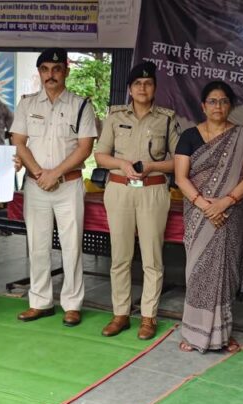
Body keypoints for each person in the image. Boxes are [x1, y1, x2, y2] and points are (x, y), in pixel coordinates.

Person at [10, 48, 97, 327]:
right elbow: (18, 141)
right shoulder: (26, 104)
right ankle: (40, 302)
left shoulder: (81, 105)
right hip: (36, 185)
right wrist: (39, 173)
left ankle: (72, 304)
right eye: (45, 69)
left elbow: (85, 148)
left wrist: (55, 174)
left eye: (57, 69)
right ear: (39, 72)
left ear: (66, 72)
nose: (51, 74)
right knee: (37, 245)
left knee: (72, 247)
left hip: (68, 185)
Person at [93, 62, 178, 340]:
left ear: (155, 88)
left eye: (148, 83)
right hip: (120, 189)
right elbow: (100, 155)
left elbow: (179, 161)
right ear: (130, 89)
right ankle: (120, 314)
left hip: (153, 191)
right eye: (138, 84)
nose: (143, 88)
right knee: (120, 256)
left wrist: (152, 167)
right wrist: (122, 164)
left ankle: (148, 317)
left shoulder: (166, 119)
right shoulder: (115, 116)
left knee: (152, 258)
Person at [174, 81, 243, 353]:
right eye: (212, 101)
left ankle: (223, 334)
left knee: (224, 274)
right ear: (203, 106)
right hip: (198, 213)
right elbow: (180, 177)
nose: (218, 106)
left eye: (223, 101)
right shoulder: (189, 136)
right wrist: (204, 205)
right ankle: (193, 333)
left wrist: (224, 202)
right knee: (198, 271)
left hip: (230, 213)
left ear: (230, 105)